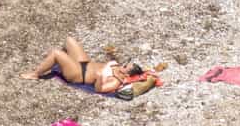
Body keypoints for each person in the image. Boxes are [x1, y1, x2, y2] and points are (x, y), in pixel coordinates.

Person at [22, 37, 162, 97]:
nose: (123, 65)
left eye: (126, 66)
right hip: (85, 63)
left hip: (78, 74)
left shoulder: (115, 81)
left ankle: (36, 74)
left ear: (127, 74)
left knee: (56, 53)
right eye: (126, 63)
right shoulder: (117, 67)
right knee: (70, 41)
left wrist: (100, 79)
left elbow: (99, 89)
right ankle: (62, 63)